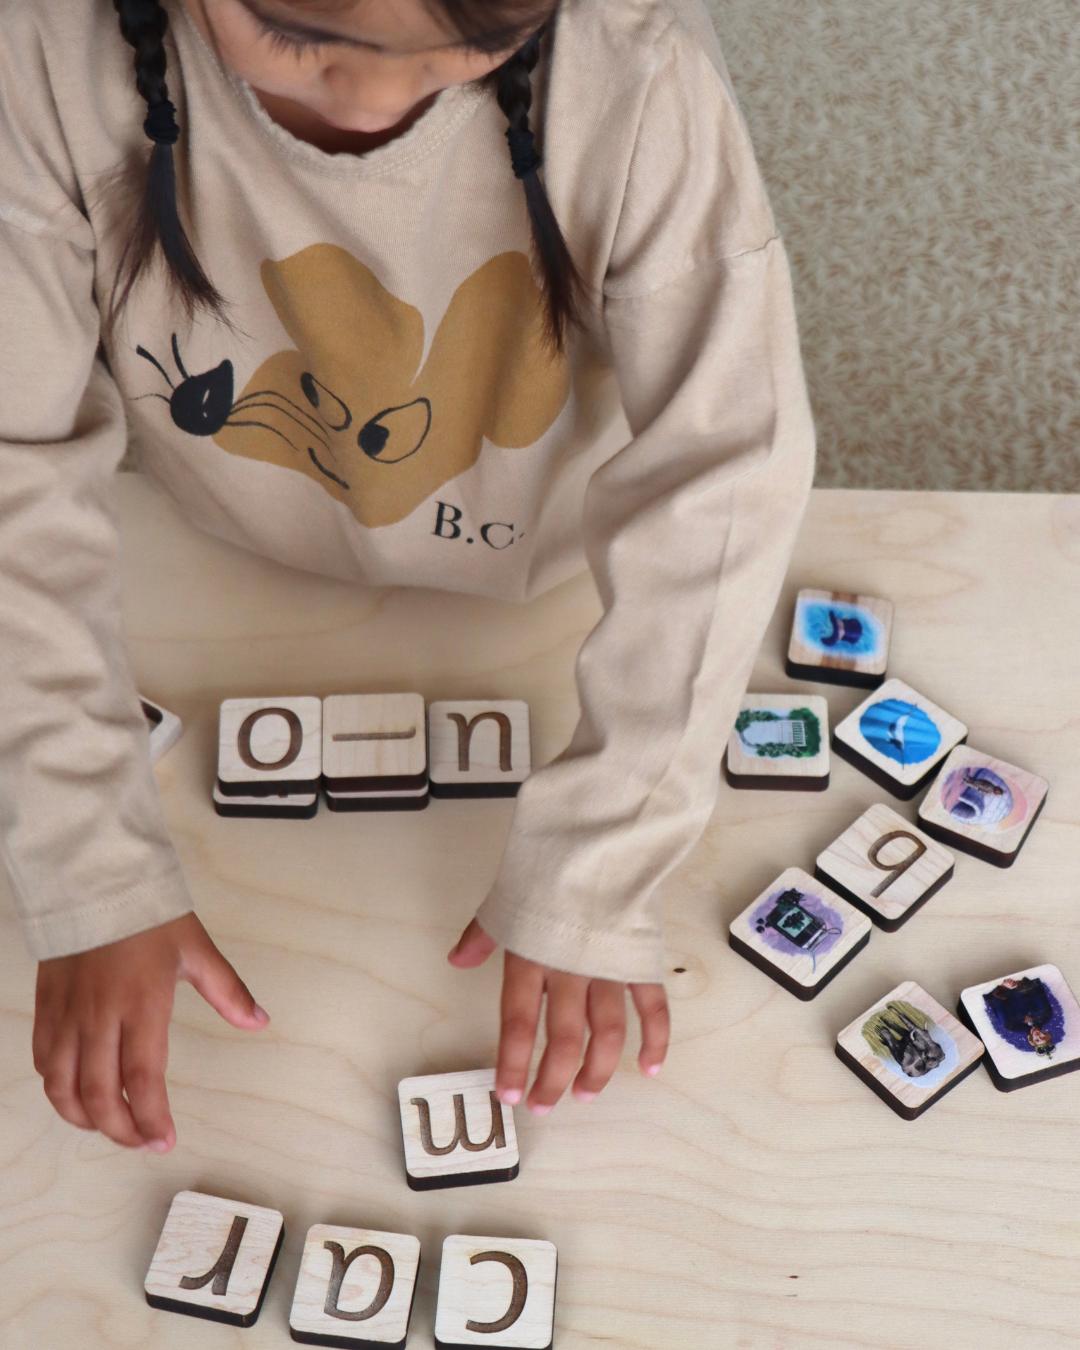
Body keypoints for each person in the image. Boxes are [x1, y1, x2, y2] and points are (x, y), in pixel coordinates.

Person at [1, 0, 817, 1154]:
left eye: (466, 53)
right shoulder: (39, 50)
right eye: (291, 34)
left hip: (550, 570)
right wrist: (86, 867)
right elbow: (12, 474)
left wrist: (601, 860)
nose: (375, 103)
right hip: (225, 554)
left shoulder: (640, 65)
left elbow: (728, 472)